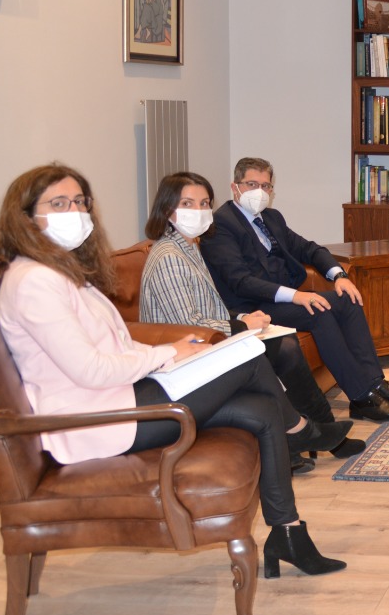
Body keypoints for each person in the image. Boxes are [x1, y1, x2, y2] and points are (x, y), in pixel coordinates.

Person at [0, 164, 345, 578]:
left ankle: (288, 533)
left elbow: (116, 343)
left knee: (262, 409)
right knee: (248, 355)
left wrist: (171, 354)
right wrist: (164, 354)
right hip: (97, 420)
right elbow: (90, 370)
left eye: (80, 202)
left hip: (121, 397)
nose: (74, 212)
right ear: (25, 216)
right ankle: (300, 430)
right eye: (58, 204)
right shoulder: (33, 281)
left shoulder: (61, 272)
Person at [138, 172, 365, 464]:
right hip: (185, 358)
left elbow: (206, 310)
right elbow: (187, 326)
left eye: (204, 203)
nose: (199, 211)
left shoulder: (187, 246)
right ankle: (307, 434)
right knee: (269, 353)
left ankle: (312, 433)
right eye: (187, 203)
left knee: (285, 344)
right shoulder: (169, 257)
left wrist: (244, 317)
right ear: (167, 209)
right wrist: (241, 325)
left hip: (206, 341)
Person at [201, 157, 389, 422]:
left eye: (266, 186)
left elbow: (309, 249)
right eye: (252, 184)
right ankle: (362, 397)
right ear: (235, 187)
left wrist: (338, 275)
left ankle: (376, 385)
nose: (260, 192)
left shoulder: (271, 218)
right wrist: (296, 296)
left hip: (285, 299)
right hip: (253, 307)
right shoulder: (220, 225)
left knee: (348, 299)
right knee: (319, 310)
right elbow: (240, 281)